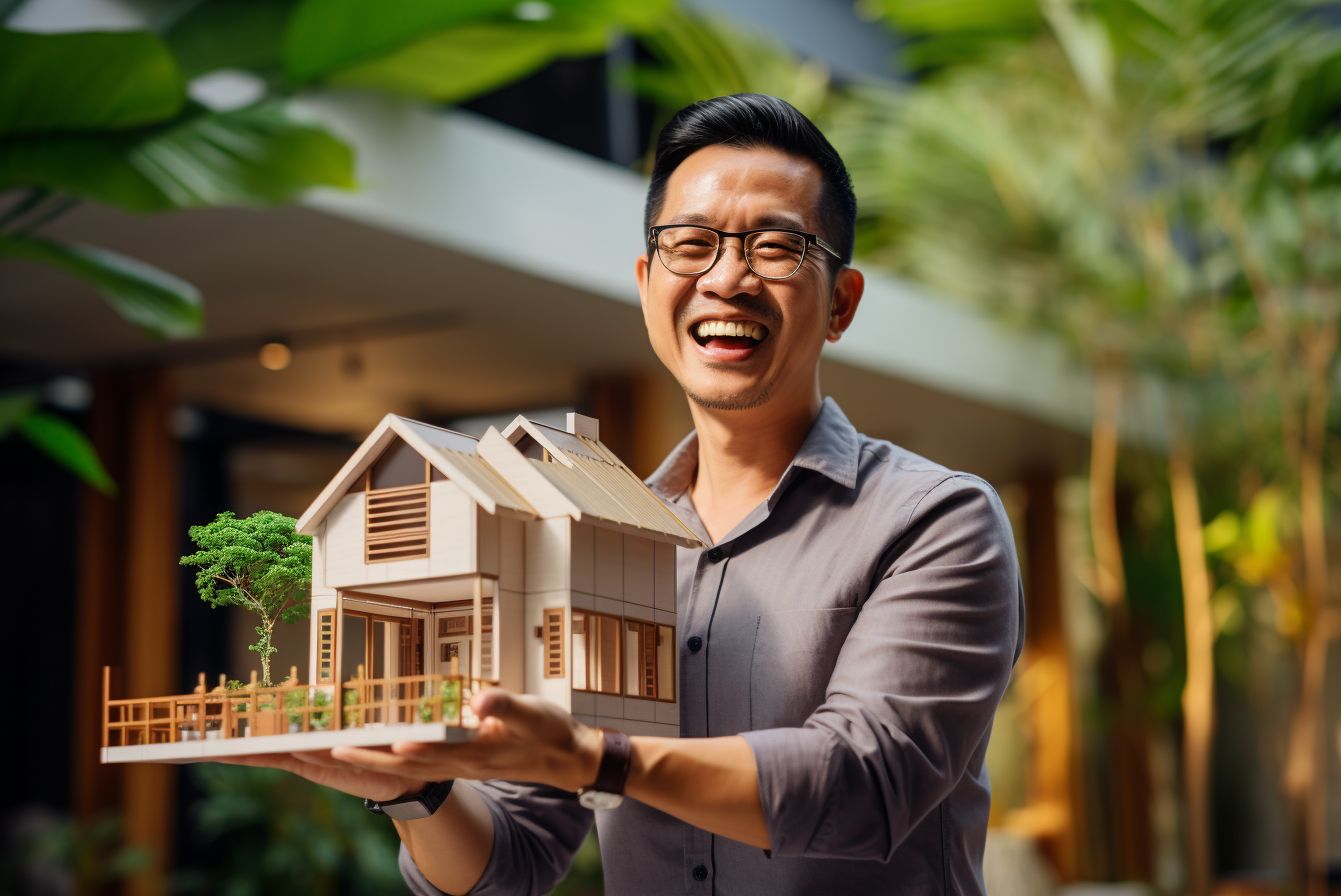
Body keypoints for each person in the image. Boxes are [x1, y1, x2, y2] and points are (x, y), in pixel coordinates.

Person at [238, 93, 1025, 895]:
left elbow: (866, 783)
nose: (727, 278)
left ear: (841, 303)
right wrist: (415, 792)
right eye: (692, 245)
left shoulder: (934, 519)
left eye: (778, 248)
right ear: (649, 285)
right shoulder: (589, 545)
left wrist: (594, 758)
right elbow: (509, 863)